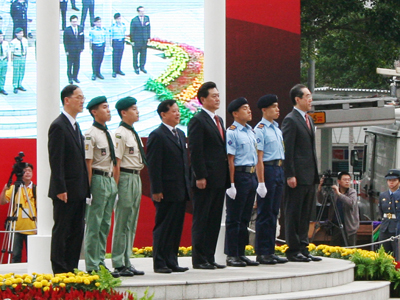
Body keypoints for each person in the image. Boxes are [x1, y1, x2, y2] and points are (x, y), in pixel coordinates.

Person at [48, 84, 90, 274]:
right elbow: (56, 161)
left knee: (76, 232)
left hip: (78, 189)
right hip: (65, 190)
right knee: (62, 231)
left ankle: (72, 268)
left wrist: (86, 189)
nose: (82, 101)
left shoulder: (75, 125)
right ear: (67, 100)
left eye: (83, 97)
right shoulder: (58, 126)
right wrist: (60, 187)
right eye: (79, 97)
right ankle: (59, 269)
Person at [188, 81, 229, 270]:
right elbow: (196, 151)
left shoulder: (218, 120)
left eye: (218, 95)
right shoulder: (198, 120)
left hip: (219, 178)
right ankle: (199, 258)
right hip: (206, 179)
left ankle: (210, 256)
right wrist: (200, 176)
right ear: (203, 99)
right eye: (213, 96)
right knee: (202, 219)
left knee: (214, 219)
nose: (217, 98)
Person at [146, 100, 191, 274]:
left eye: (178, 110)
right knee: (164, 227)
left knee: (175, 227)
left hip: (180, 189)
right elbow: (154, 165)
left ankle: (172, 260)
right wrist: (156, 189)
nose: (178, 114)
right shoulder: (157, 135)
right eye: (173, 111)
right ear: (163, 114)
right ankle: (160, 262)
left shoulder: (179, 133)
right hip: (165, 190)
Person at [281, 84, 321, 262]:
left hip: (309, 175)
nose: (310, 99)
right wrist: (290, 174)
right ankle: (293, 248)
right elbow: (288, 150)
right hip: (296, 176)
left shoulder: (309, 119)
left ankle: (304, 247)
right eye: (307, 96)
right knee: (294, 213)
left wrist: (316, 175)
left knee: (306, 213)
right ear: (297, 99)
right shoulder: (290, 120)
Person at [84, 96, 118, 276]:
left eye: (108, 107)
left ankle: (100, 260)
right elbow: (88, 162)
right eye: (104, 108)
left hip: (109, 178)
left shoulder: (109, 133)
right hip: (97, 178)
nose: (108, 110)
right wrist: (88, 189)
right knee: (94, 224)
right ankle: (91, 265)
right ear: (94, 112)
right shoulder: (91, 134)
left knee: (105, 223)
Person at [112, 96, 146, 277]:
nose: (137, 111)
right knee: (122, 221)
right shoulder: (120, 133)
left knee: (131, 221)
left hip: (135, 176)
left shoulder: (133, 132)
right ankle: (118, 262)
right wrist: (115, 188)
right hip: (125, 176)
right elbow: (116, 163)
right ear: (123, 113)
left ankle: (127, 260)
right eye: (133, 109)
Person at [224, 97, 259, 267]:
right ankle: (232, 254)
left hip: (251, 175)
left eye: (249, 107)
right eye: (245, 108)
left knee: (245, 217)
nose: (249, 111)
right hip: (238, 176)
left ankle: (241, 252)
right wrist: (231, 184)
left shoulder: (250, 131)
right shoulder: (232, 132)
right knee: (234, 217)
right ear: (236, 113)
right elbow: (230, 160)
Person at [254, 94, 288, 264]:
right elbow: (259, 158)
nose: (277, 109)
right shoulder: (260, 129)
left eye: (277, 106)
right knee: (265, 212)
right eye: (273, 107)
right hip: (267, 169)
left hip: (278, 169)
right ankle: (262, 251)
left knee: (274, 212)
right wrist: (260, 182)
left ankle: (270, 250)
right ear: (264, 110)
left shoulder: (276, 128)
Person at [0, 163, 36, 263]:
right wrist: (4, 191)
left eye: (29, 170)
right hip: (16, 228)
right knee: (15, 256)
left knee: (32, 257)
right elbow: (2, 202)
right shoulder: (14, 188)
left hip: (32, 228)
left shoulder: (35, 189)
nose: (27, 173)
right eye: (25, 171)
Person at [317, 171, 359, 247]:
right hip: (336, 226)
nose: (347, 182)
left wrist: (339, 194)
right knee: (335, 249)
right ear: (338, 181)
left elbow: (351, 203)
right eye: (345, 180)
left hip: (349, 227)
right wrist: (320, 188)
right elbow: (322, 201)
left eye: (348, 180)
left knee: (349, 250)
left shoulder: (352, 192)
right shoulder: (333, 192)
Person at [378, 169, 400, 259]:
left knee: (397, 254)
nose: (391, 183)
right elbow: (381, 211)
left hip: (397, 227)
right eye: (389, 180)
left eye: (394, 180)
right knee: (384, 254)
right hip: (385, 227)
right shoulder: (383, 195)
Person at [63, 15, 84, 85]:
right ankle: (70, 78)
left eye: (75, 21)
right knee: (70, 65)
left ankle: (75, 76)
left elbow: (82, 38)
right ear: (71, 22)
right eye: (73, 22)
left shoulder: (80, 28)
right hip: (70, 50)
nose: (74, 23)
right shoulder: (67, 30)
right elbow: (65, 41)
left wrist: (82, 47)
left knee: (77, 64)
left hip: (78, 50)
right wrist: (66, 50)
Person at [130, 6, 150, 75]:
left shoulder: (147, 18)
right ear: (138, 12)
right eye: (141, 11)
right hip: (137, 40)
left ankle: (142, 66)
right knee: (135, 55)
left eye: (143, 11)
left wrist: (148, 38)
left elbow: (148, 28)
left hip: (144, 40)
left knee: (143, 54)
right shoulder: (134, 20)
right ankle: (136, 67)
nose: (142, 13)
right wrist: (132, 41)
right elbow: (132, 31)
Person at [10, 27, 28, 94]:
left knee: (22, 71)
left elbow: (26, 49)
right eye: (19, 33)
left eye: (22, 33)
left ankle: (20, 84)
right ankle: (15, 85)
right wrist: (11, 61)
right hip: (16, 57)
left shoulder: (25, 40)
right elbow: (11, 52)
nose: (21, 34)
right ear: (16, 34)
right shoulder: (13, 42)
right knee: (16, 72)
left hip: (22, 57)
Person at [89, 16, 107, 81]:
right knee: (94, 61)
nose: (99, 23)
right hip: (95, 46)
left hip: (101, 46)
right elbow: (90, 40)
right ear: (95, 23)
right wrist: (90, 48)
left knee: (100, 60)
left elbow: (104, 38)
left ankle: (98, 72)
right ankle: (94, 73)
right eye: (98, 22)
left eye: (100, 22)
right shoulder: (92, 30)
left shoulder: (103, 29)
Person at [110, 13, 126, 78]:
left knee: (120, 56)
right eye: (118, 18)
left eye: (120, 18)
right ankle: (114, 70)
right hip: (116, 42)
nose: (120, 20)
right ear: (115, 19)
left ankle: (119, 69)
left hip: (121, 41)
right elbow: (111, 36)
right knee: (115, 57)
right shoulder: (113, 27)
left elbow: (124, 33)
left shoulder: (123, 25)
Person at [0, 31, 9, 95]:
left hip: (4, 60)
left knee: (3, 75)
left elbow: (7, 52)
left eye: (1, 36)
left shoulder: (5, 43)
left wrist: (8, 60)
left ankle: (2, 88)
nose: (1, 38)